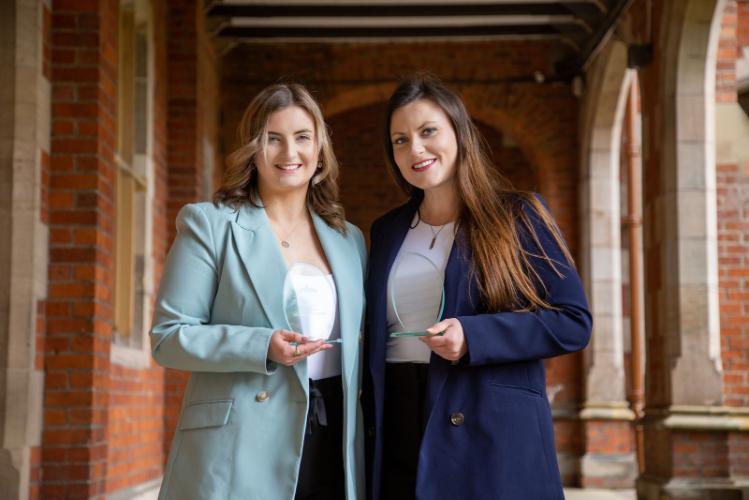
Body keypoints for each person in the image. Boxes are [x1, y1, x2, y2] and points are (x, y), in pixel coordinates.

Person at [363, 75, 592, 500]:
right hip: (396, 421)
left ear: (459, 133)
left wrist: (475, 336)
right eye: (400, 140)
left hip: (489, 426)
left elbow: (572, 321)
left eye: (428, 131)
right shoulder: (387, 230)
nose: (415, 149)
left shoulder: (519, 215)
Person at [150, 83, 366, 500]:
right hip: (241, 437)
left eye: (302, 137)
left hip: (334, 430)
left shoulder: (348, 239)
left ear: (320, 149)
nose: (290, 153)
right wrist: (261, 345)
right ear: (253, 148)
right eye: (273, 139)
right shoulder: (209, 225)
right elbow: (168, 337)